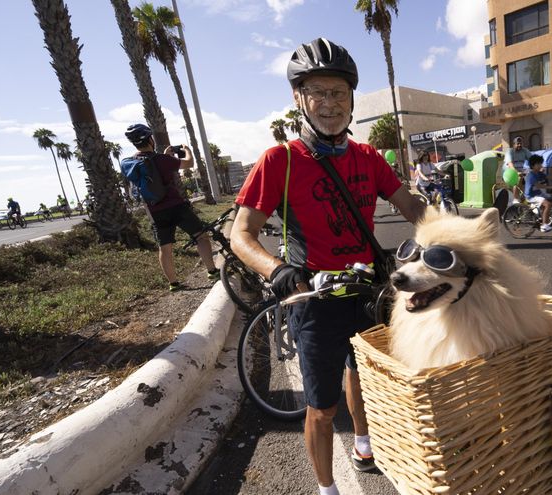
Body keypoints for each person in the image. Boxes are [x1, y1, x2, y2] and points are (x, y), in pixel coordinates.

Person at [230, 38, 424, 495]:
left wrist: (452, 237)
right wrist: (276, 269)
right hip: (314, 300)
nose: (330, 104)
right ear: (299, 98)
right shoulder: (280, 161)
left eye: (339, 93)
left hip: (368, 294)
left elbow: (411, 208)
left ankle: (363, 445)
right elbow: (242, 235)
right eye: (319, 92)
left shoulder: (368, 157)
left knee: (363, 376)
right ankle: (326, 488)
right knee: (321, 406)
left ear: (352, 99)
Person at [123, 123, 219, 292]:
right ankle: (212, 271)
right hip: (176, 206)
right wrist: (186, 149)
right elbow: (188, 163)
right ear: (150, 139)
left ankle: (173, 283)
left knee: (165, 248)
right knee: (201, 237)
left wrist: (163, 156)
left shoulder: (130, 163)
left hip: (154, 211)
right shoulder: (163, 160)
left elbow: (149, 169)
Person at [523, 154, 552, 232]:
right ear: (533, 165)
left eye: (541, 163)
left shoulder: (539, 173)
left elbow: (549, 177)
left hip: (538, 194)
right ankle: (544, 226)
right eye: (538, 164)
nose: (541, 165)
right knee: (548, 204)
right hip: (531, 196)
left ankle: (540, 213)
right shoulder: (531, 175)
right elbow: (539, 185)